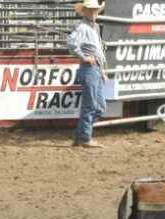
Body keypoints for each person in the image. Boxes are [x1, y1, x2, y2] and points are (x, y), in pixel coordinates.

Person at [66, 0, 107, 149]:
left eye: (95, 10)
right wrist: (84, 57)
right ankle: (85, 137)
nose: (94, 12)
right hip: (89, 68)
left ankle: (80, 135)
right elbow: (71, 42)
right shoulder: (82, 27)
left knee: (99, 107)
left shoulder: (94, 27)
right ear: (84, 12)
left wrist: (102, 70)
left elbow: (98, 51)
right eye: (90, 10)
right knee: (91, 105)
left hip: (95, 69)